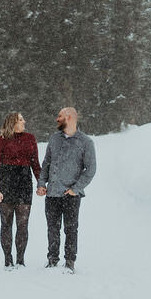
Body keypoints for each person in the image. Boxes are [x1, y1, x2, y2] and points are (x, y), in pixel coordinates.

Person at [37, 107, 96, 273]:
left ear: (69, 118)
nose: (57, 119)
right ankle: (52, 259)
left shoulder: (85, 142)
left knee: (70, 229)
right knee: (52, 228)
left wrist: (75, 189)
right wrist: (42, 183)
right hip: (52, 193)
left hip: (71, 195)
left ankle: (70, 261)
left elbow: (90, 169)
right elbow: (46, 163)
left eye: (60, 116)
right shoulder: (54, 139)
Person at [0, 112, 41, 269]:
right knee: (6, 224)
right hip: (6, 184)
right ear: (13, 122)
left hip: (24, 184)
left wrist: (41, 183)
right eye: (21, 119)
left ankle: (20, 260)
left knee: (23, 225)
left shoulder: (30, 138)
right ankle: (8, 259)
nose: (24, 121)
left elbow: (35, 164)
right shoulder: (1, 141)